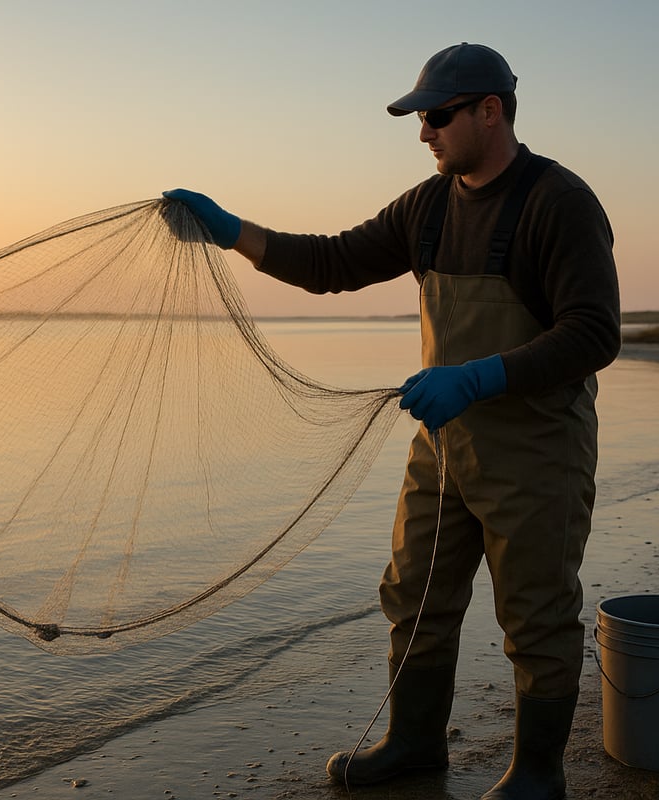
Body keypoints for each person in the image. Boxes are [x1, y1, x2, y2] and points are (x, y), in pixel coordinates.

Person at [165, 41, 620, 800]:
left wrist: (477, 375)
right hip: (443, 450)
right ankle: (414, 746)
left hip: (538, 453)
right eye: (418, 118)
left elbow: (594, 333)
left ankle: (539, 772)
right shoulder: (428, 205)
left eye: (437, 116)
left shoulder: (559, 203)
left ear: (489, 111)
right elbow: (333, 263)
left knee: (537, 616)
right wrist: (231, 229)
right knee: (414, 596)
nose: (424, 133)